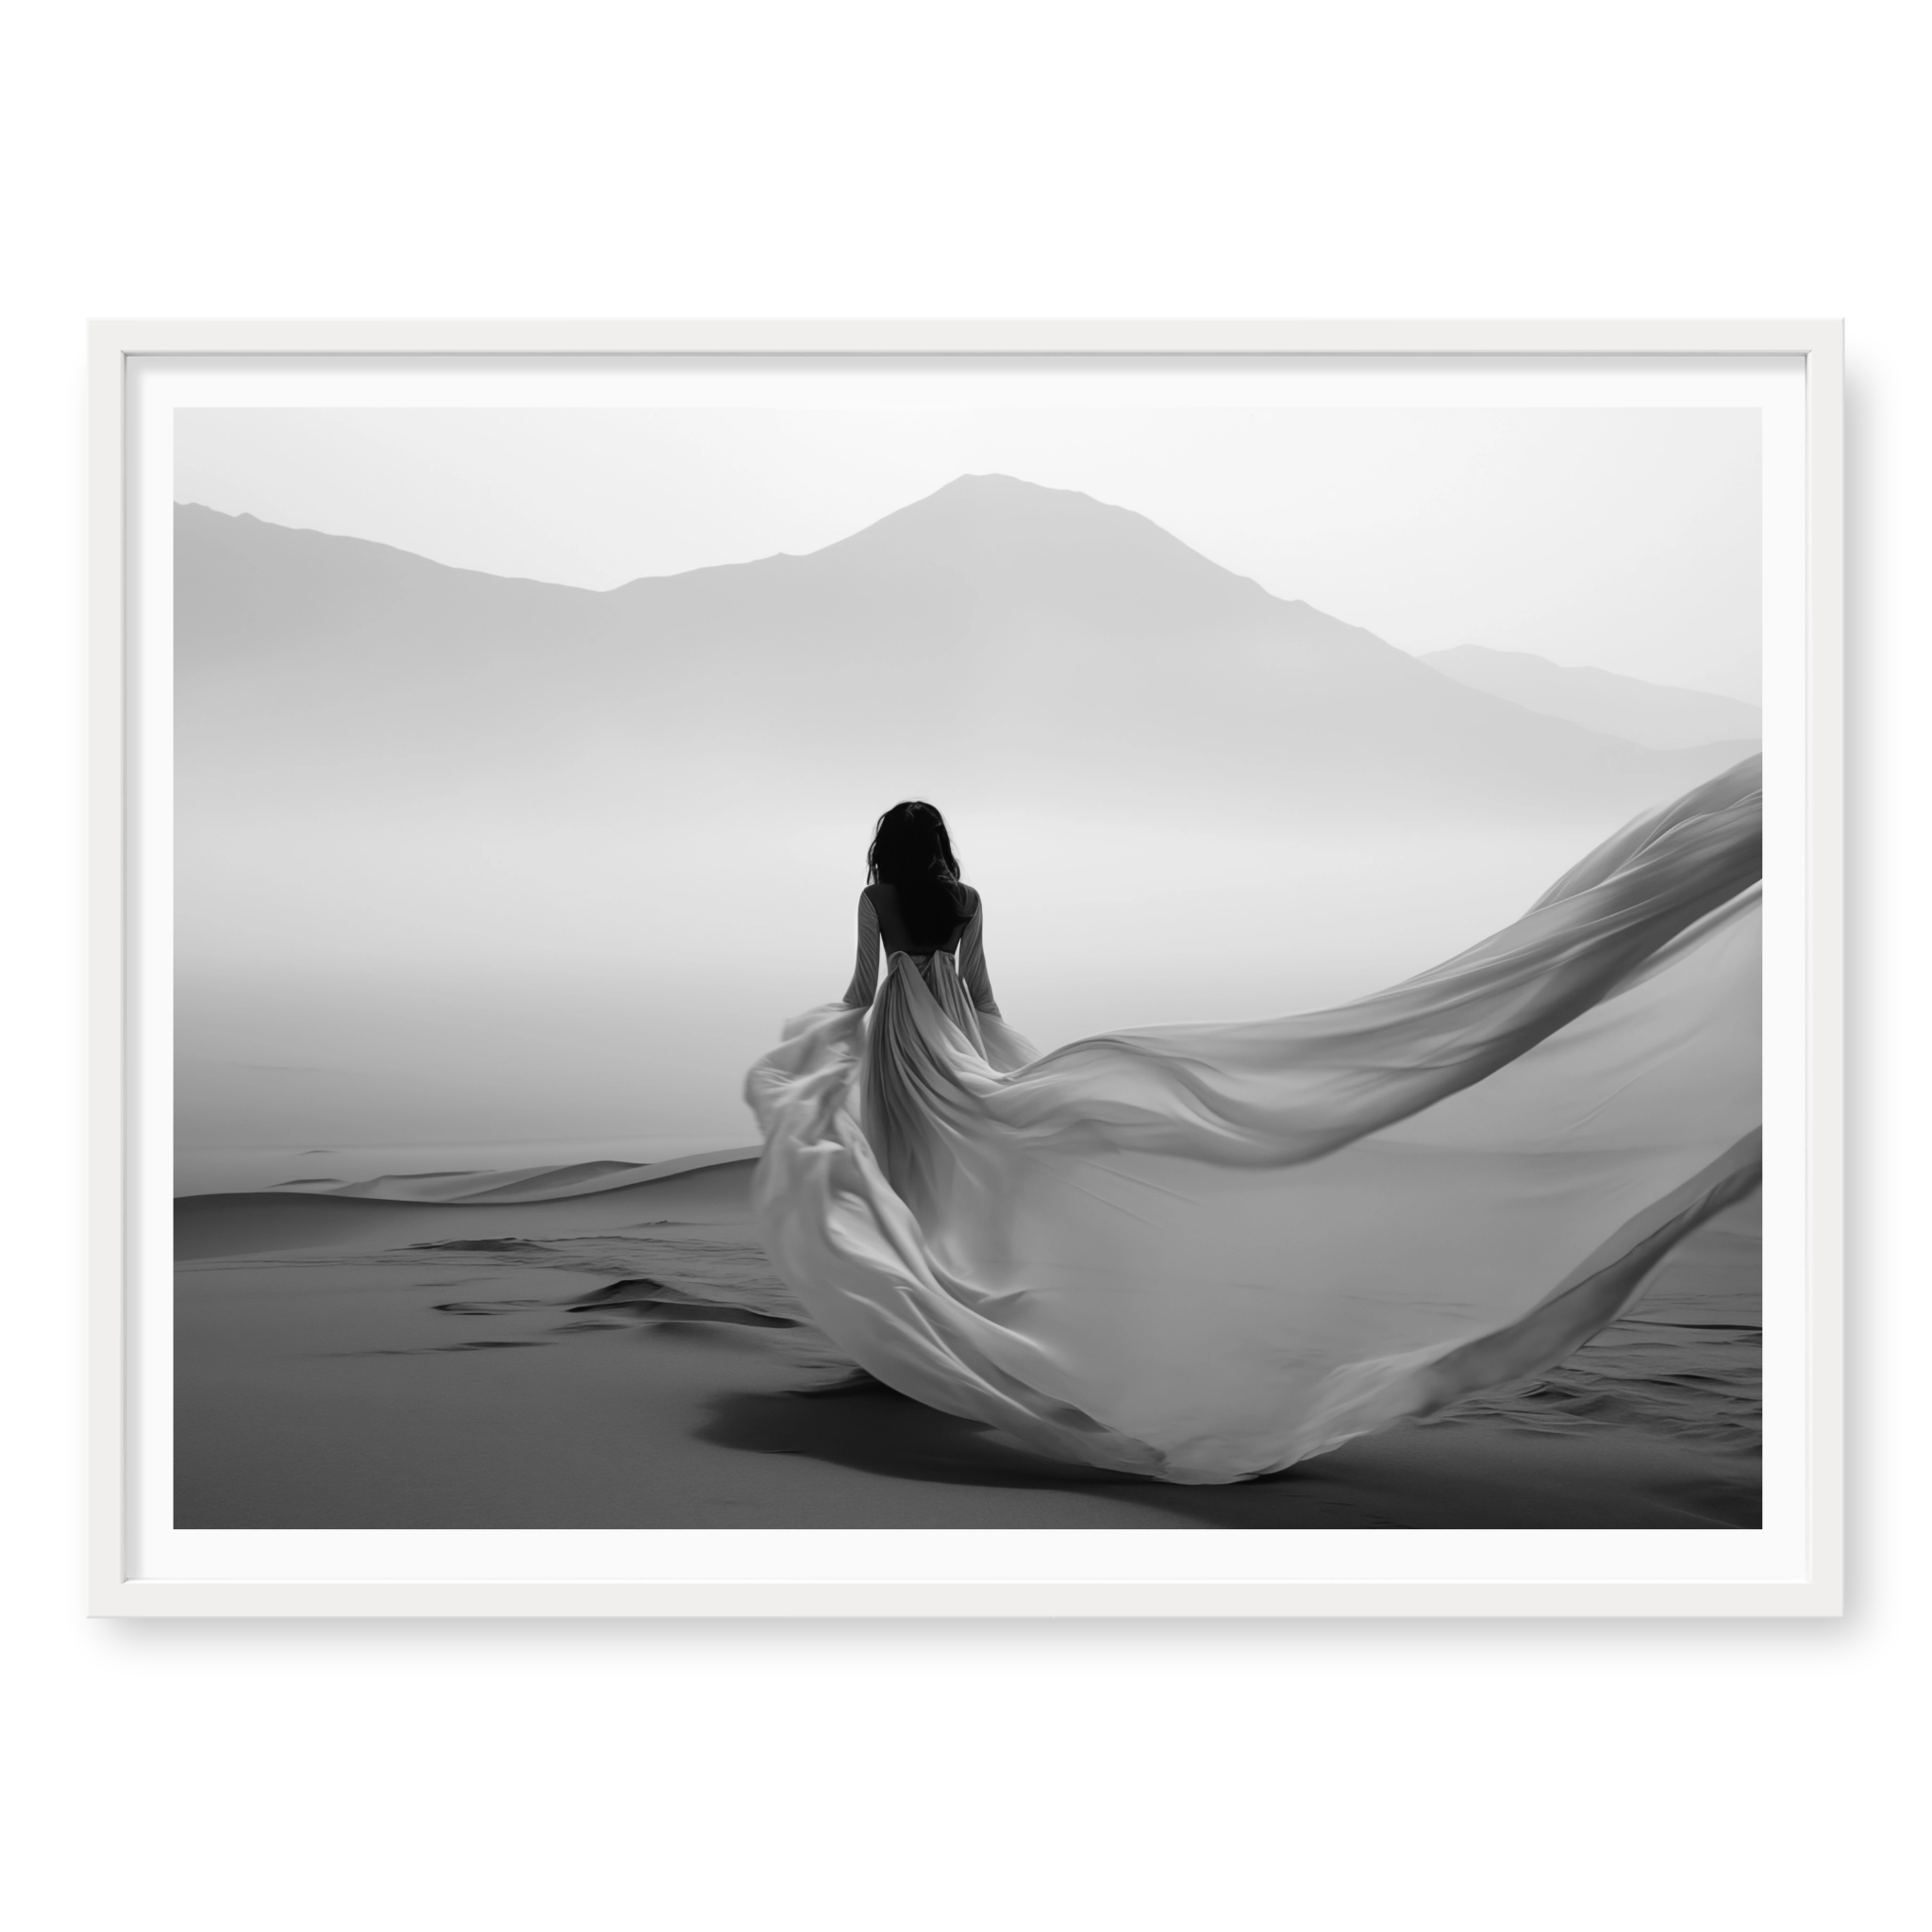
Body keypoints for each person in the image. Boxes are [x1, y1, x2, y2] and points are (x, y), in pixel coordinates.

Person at [744, 770, 1762, 1487]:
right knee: (949, 1185)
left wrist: (828, 1042)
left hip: (894, 1058)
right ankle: (938, 1331)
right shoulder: (963, 897)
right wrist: (1012, 1062)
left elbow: (859, 990)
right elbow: (977, 989)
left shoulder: (875, 896)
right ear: (942, 852)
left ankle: (906, 1344)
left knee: (898, 1185)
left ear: (886, 852)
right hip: (954, 1052)